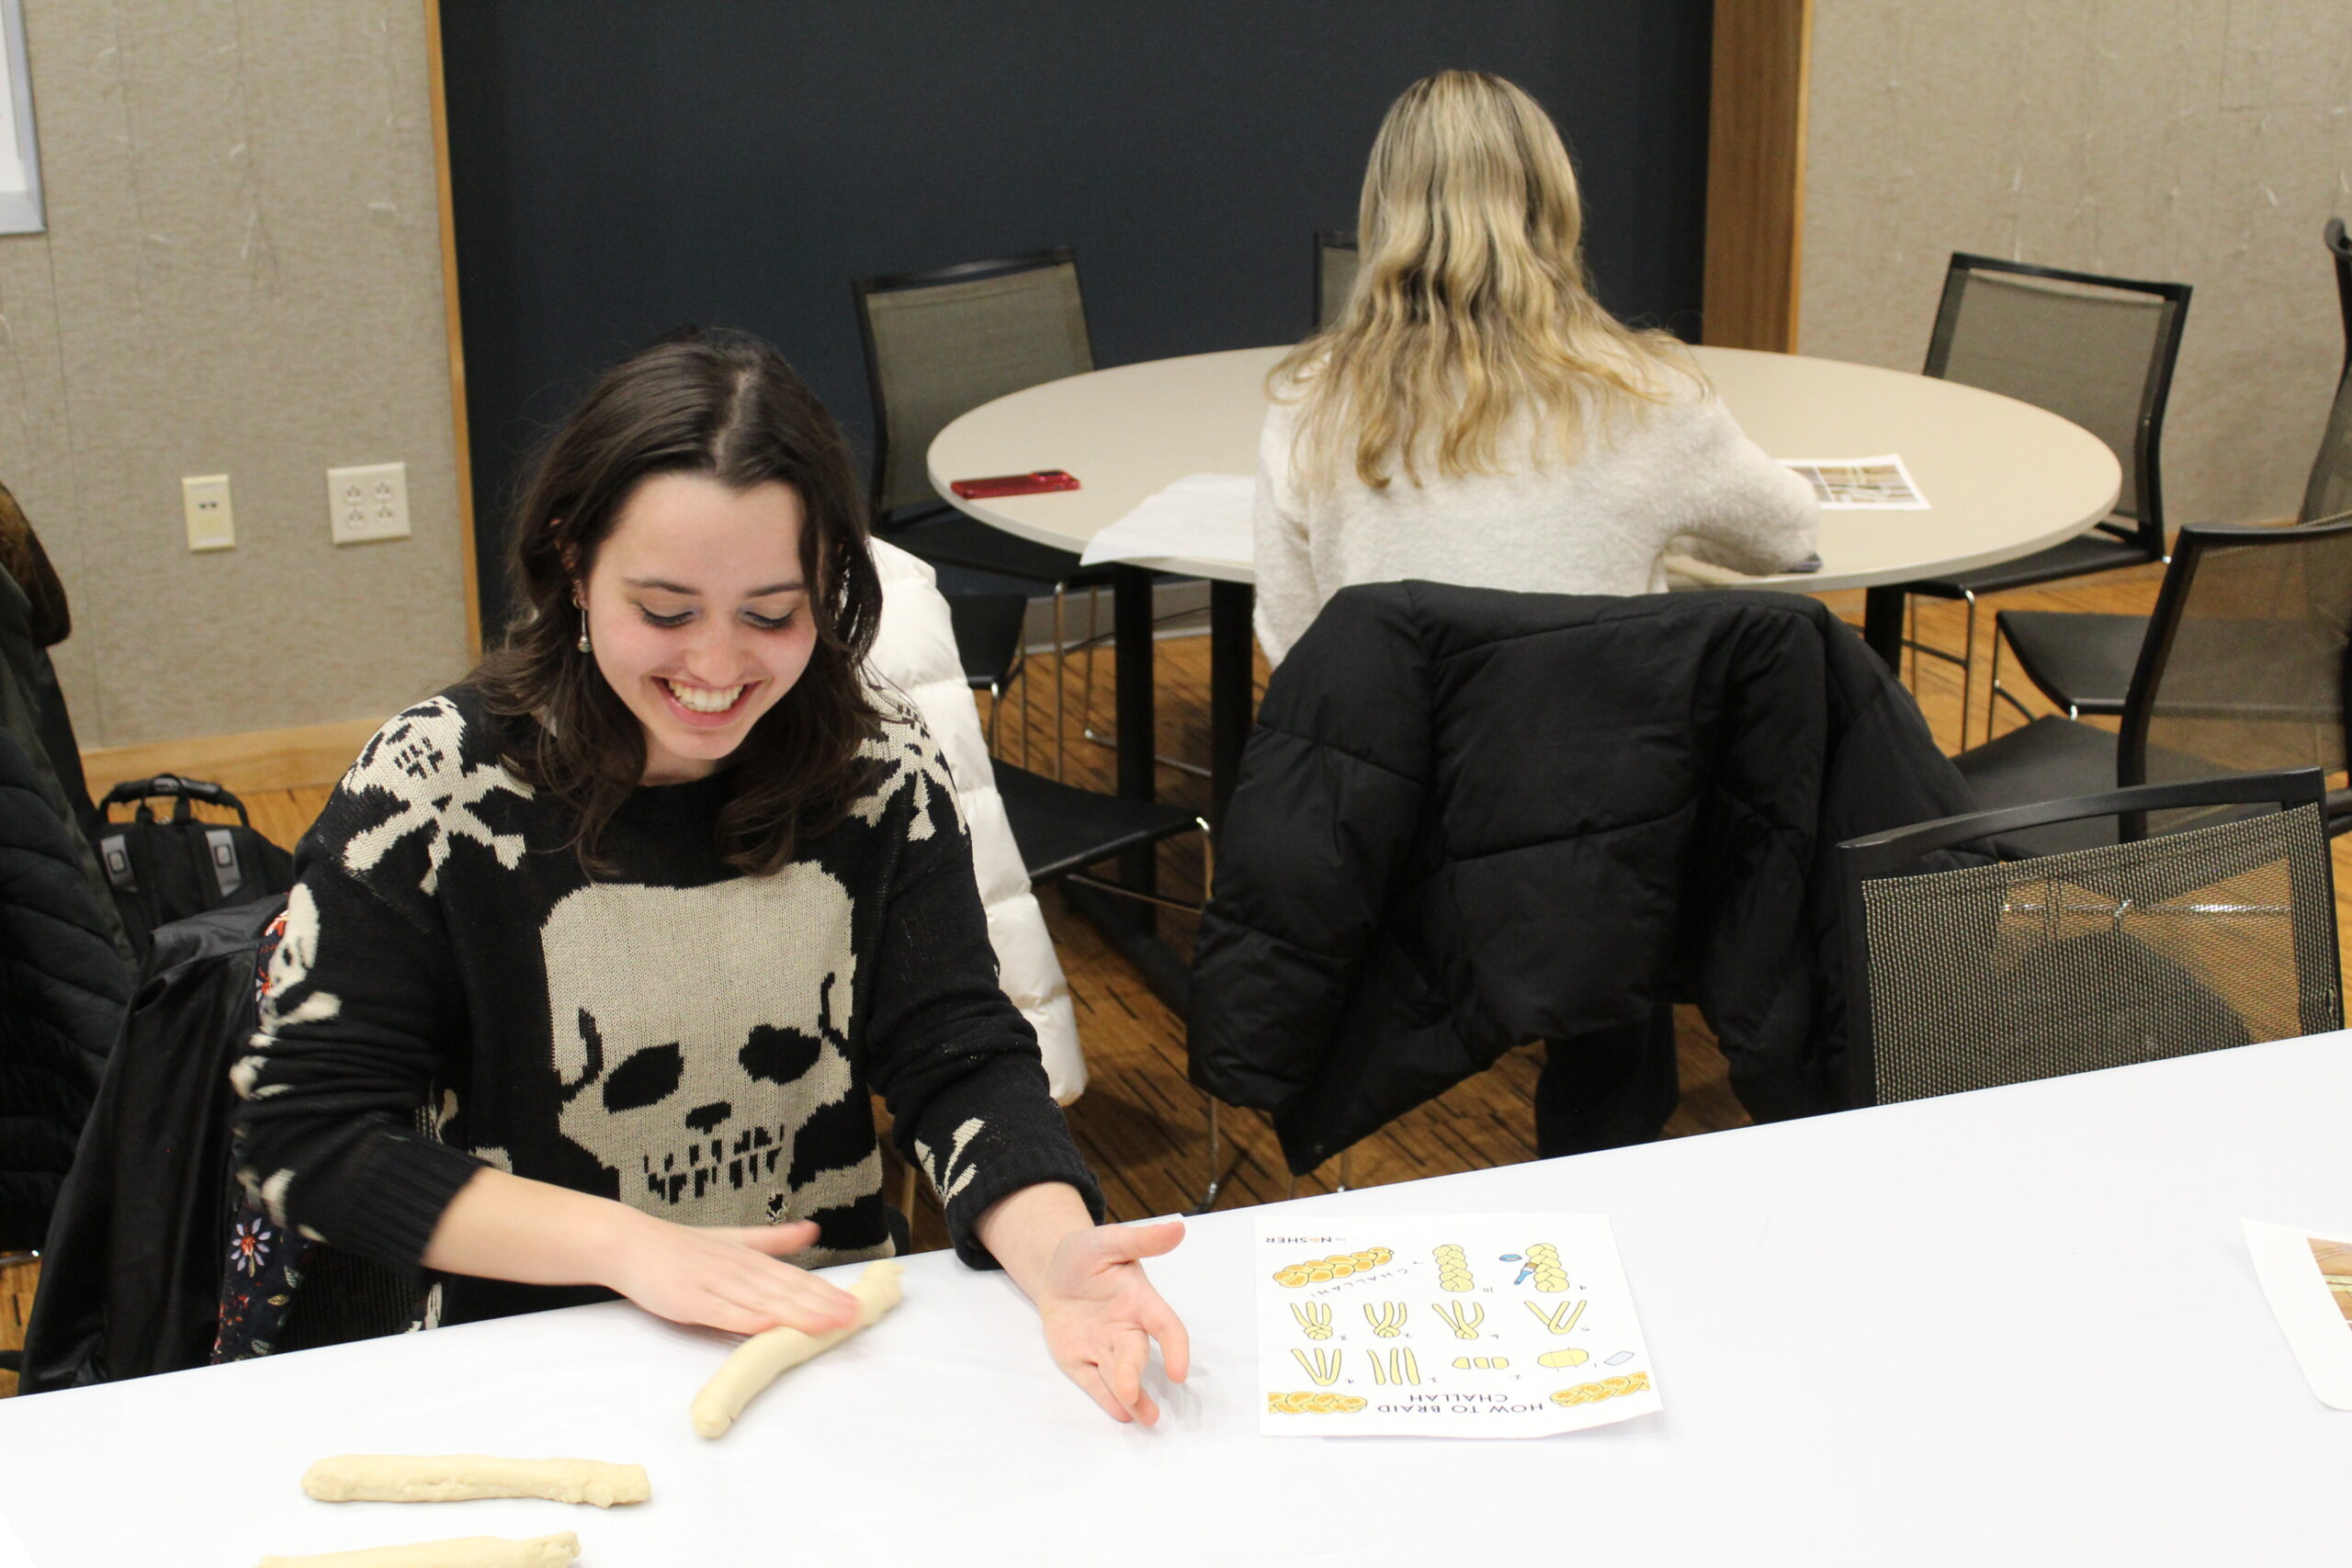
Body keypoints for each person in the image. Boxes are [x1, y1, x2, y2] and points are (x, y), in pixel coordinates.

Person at [229, 331, 1187, 1425]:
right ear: (572, 565)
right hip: (536, 1362)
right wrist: (632, 1248)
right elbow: (307, 1135)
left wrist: (1056, 1251)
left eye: (772, 615)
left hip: (823, 1338)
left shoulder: (877, 768)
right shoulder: (432, 789)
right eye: (665, 612)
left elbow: (956, 1055)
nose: (717, 667)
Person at [1253, 70, 1819, 664]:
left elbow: (1291, 638)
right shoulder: (1650, 392)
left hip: (1383, 725)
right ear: (1556, 204)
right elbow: (1786, 535)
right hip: (1604, 722)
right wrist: (1664, 524)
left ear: (1382, 210)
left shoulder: (1311, 399)